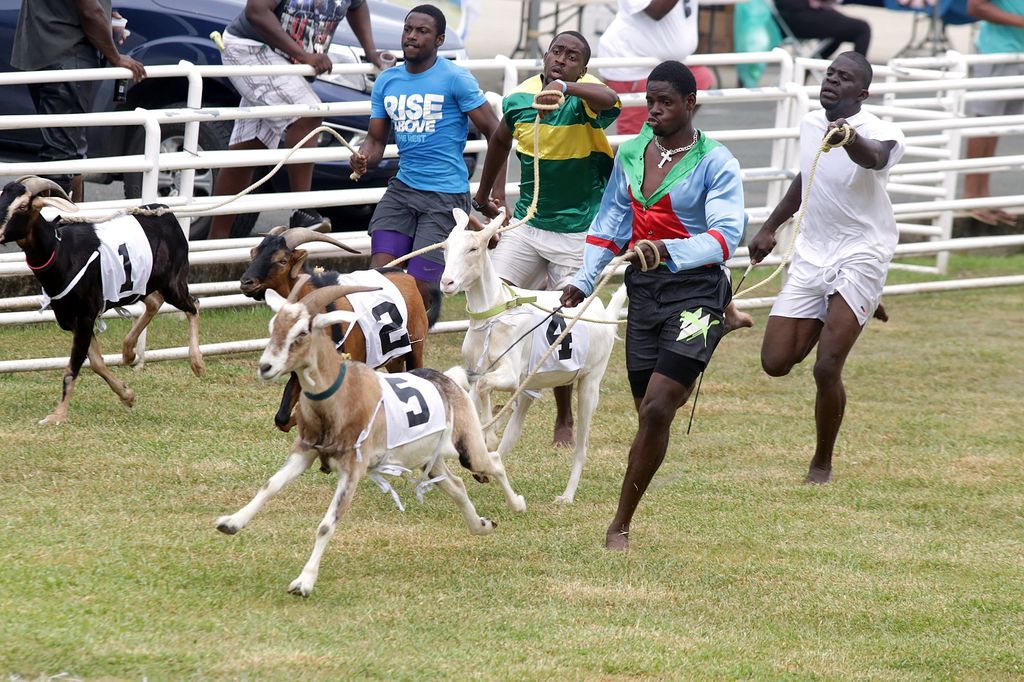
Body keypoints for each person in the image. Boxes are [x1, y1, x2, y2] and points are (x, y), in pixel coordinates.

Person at [560, 61, 745, 551]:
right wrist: (584, 280)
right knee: (646, 409)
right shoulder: (633, 151)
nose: (656, 110)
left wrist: (670, 251)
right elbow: (611, 221)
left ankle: (619, 523)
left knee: (659, 408)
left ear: (690, 104)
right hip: (645, 292)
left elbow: (726, 235)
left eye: (666, 102)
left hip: (696, 290)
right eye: (651, 100)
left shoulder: (716, 161)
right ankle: (720, 328)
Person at [747, 52, 905, 485]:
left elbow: (873, 157)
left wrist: (849, 136)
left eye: (844, 78)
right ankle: (851, 304)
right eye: (830, 73)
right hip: (814, 252)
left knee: (826, 367)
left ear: (862, 92)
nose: (832, 80)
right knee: (775, 362)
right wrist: (770, 227)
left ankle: (822, 462)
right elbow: (806, 176)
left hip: (861, 252)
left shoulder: (880, 131)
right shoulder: (810, 123)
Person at [472, 31, 620, 447]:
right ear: (545, 54)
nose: (561, 60)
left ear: (582, 67)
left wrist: (567, 87)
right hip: (528, 225)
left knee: (563, 327)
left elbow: (609, 100)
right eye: (557, 52)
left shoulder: (587, 98)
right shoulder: (520, 98)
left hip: (577, 232)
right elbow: (499, 139)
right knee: (493, 306)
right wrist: (484, 196)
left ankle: (564, 416)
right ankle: (487, 398)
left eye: (573, 57)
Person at [351, 4, 502, 309]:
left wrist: (494, 192)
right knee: (380, 277)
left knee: (422, 290)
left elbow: (496, 131)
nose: (412, 36)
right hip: (403, 190)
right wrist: (363, 158)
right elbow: (376, 142)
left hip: (445, 196)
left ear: (439, 40)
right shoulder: (387, 82)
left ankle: (413, 347)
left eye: (422, 31)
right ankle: (387, 344)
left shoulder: (455, 78)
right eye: (408, 29)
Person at [208, 0, 387, 239]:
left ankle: (216, 237)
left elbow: (357, 5)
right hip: (251, 48)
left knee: (250, 145)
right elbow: (256, 11)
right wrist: (303, 55)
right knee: (308, 112)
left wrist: (370, 50)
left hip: (288, 59)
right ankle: (302, 211)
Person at [11, 0, 146, 200]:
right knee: (64, 154)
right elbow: (90, 11)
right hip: (65, 56)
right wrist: (115, 57)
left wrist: (106, 16)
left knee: (65, 151)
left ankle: (62, 223)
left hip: (46, 52)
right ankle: (59, 226)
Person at [597, 0, 717, 135]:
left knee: (702, 78)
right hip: (633, 64)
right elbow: (656, 11)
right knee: (636, 140)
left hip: (672, 61)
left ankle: (668, 137)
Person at [963, 0, 1024, 226]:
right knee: (984, 124)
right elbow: (976, 7)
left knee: (995, 127)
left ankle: (983, 196)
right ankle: (971, 197)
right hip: (996, 49)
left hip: (1017, 51)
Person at [774, 0, 872, 59]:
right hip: (796, 16)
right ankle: (858, 75)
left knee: (843, 31)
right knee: (862, 28)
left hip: (791, 17)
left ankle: (809, 67)